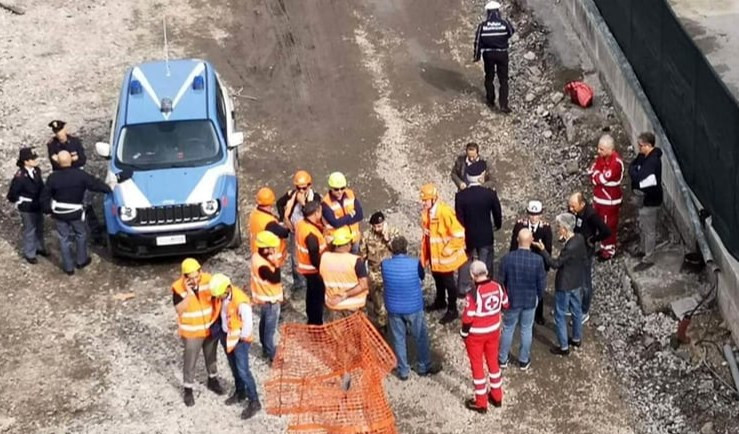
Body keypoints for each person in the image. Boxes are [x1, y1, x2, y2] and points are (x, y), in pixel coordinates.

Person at [39, 151, 111, 275]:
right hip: (75, 212)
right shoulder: (80, 175)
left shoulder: (53, 177)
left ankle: (68, 267)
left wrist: (48, 211)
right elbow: (94, 184)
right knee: (81, 234)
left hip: (59, 213)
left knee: (63, 238)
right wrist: (108, 189)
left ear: (58, 162)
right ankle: (81, 260)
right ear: (71, 160)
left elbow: (45, 197)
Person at [382, 236, 442, 380]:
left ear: (392, 250)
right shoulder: (415, 263)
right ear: (406, 248)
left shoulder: (385, 264)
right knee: (420, 335)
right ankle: (423, 365)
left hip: (394, 307)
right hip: (413, 305)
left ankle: (403, 370)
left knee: (398, 338)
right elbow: (421, 277)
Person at [170, 258, 225, 407]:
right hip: (192, 333)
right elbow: (179, 310)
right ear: (184, 277)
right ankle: (188, 389)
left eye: (196, 276)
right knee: (190, 361)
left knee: (211, 356)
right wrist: (189, 294)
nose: (195, 280)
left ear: (201, 271)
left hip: (209, 327)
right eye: (191, 278)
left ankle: (212, 380)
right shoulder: (178, 288)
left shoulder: (208, 280)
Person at [534, 213, 588, 356]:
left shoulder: (568, 247)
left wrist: (543, 250)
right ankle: (576, 338)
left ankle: (563, 346)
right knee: (576, 310)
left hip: (564, 284)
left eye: (559, 227)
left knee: (560, 314)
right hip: (576, 281)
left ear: (564, 229)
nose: (557, 229)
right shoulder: (580, 239)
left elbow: (555, 264)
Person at [209, 273, 261, 420]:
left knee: (243, 370)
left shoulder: (241, 301)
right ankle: (240, 392)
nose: (218, 298)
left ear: (227, 289)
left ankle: (254, 401)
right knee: (233, 367)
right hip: (227, 336)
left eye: (220, 295)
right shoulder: (222, 296)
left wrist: (240, 340)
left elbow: (248, 325)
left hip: (239, 340)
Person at [460, 260, 508, 413]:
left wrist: (464, 333)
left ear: (472, 275)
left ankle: (481, 402)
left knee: (477, 366)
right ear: (486, 272)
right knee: (493, 363)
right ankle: (497, 395)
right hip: (494, 331)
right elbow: (506, 304)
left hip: (476, 335)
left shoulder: (473, 293)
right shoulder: (498, 286)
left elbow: (468, 317)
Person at [46, 120, 104, 245]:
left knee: (86, 204)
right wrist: (71, 160)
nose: (59, 134)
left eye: (60, 130)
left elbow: (82, 160)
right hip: (62, 178)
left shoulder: (75, 141)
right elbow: (54, 164)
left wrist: (66, 161)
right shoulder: (52, 145)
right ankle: (72, 237)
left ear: (65, 129)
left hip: (77, 176)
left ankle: (96, 234)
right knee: (67, 206)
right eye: (56, 131)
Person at [498, 229, 546, 370]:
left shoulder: (507, 258)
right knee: (526, 329)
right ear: (531, 241)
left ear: (517, 240)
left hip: (512, 300)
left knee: (508, 328)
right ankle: (523, 360)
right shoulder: (538, 260)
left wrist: (504, 297)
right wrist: (538, 297)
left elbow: (500, 282)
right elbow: (542, 284)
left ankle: (502, 359)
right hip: (530, 300)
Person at [420, 183, 468, 325]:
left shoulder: (445, 212)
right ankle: (440, 301)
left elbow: (459, 233)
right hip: (436, 256)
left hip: (444, 257)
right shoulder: (429, 212)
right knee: (438, 280)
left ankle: (452, 309)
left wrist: (448, 249)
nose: (423, 203)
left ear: (433, 199)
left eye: (425, 200)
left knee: (449, 284)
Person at [455, 160, 502, 294]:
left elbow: (459, 218)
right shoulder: (489, 194)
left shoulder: (460, 196)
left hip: (468, 234)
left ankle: (464, 288)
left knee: (465, 261)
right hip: (485, 234)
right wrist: (497, 225)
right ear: (480, 176)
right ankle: (485, 286)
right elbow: (497, 213)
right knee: (485, 259)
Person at [276, 170, 322, 294]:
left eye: (304, 188)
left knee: (310, 256)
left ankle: (312, 280)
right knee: (295, 259)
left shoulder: (315, 198)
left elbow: (312, 214)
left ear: (309, 185)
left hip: (309, 232)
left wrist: (303, 203)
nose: (301, 191)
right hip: (294, 232)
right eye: (298, 188)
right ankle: (298, 283)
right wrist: (283, 219)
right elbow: (279, 203)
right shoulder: (291, 195)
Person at [568, 192, 610, 323]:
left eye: (573, 207)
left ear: (582, 204)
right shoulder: (575, 212)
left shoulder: (591, 215)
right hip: (575, 250)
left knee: (585, 283)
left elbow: (606, 231)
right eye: (570, 206)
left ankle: (584, 311)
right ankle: (573, 305)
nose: (571, 209)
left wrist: (593, 239)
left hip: (585, 253)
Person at [509, 200, 552, 325]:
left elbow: (548, 249)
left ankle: (538, 314)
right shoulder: (519, 226)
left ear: (540, 214)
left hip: (537, 264)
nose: (533, 217)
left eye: (536, 214)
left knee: (539, 289)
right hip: (521, 262)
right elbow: (513, 245)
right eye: (531, 214)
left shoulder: (546, 228)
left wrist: (546, 267)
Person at [628, 132, 663, 272]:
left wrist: (635, 171)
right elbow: (633, 166)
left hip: (650, 201)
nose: (639, 148)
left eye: (641, 145)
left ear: (648, 145)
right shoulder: (644, 156)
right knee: (643, 226)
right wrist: (635, 170)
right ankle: (643, 250)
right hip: (644, 199)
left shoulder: (652, 161)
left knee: (649, 231)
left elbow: (639, 177)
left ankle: (649, 258)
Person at [6, 147, 47, 264]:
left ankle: (40, 247)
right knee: (30, 229)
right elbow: (12, 194)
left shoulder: (36, 170)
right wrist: (20, 201)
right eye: (32, 159)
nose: (36, 160)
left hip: (37, 204)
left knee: (39, 226)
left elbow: (40, 186)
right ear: (26, 161)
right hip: (27, 207)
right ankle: (30, 252)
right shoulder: (20, 177)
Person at [473, 2, 515, 113]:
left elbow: (477, 42)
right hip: (502, 54)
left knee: (489, 77)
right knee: (503, 80)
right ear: (498, 11)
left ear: (488, 12)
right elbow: (511, 32)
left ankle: (490, 100)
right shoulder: (504, 23)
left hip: (488, 54)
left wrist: (476, 56)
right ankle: (503, 105)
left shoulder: (483, 26)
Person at [360, 211, 399, 329]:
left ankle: (396, 321)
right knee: (377, 300)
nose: (378, 228)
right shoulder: (366, 236)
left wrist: (387, 239)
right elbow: (363, 255)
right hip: (374, 271)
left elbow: (398, 251)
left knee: (393, 297)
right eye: (376, 226)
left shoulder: (393, 232)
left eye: (380, 225)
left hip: (390, 271)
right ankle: (383, 323)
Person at [588, 134, 624, 261]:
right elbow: (592, 172)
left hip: (609, 201)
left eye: (601, 149)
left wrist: (597, 176)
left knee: (608, 225)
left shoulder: (616, 163)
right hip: (599, 198)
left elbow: (600, 178)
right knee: (599, 223)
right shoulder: (602, 158)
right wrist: (596, 176)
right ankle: (603, 247)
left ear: (610, 149)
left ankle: (609, 250)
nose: (598, 151)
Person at [321, 227, 369, 321]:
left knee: (336, 335)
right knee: (355, 335)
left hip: (333, 306)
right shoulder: (355, 261)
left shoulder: (324, 258)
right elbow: (363, 285)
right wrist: (345, 295)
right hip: (354, 307)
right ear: (348, 244)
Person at [251, 231, 283, 364]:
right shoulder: (263, 265)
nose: (273, 250)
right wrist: (276, 264)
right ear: (265, 248)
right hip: (271, 300)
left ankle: (265, 347)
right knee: (270, 330)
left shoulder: (256, 257)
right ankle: (272, 354)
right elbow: (276, 278)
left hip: (263, 299)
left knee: (263, 324)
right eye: (271, 247)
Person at [295, 201, 328, 325]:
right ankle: (316, 324)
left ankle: (311, 319)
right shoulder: (311, 234)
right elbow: (314, 256)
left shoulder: (301, 224)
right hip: (313, 270)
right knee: (317, 299)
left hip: (305, 268)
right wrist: (323, 270)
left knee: (310, 295)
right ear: (316, 213)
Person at [322, 171, 364, 254]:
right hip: (339, 243)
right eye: (336, 189)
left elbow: (360, 215)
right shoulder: (326, 203)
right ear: (331, 188)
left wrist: (342, 219)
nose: (340, 191)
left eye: (342, 188)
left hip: (354, 238)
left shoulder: (350, 194)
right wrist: (351, 216)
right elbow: (335, 223)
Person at [248, 187, 289, 266]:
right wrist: (288, 226)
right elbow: (284, 233)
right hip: (269, 258)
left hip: (257, 252)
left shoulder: (254, 213)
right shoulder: (269, 223)